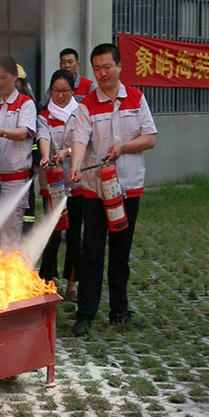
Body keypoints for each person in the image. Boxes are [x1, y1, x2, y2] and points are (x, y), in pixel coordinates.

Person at [69, 43, 157, 336]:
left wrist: (123, 147)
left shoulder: (136, 98)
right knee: (92, 252)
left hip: (128, 189)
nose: (103, 73)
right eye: (97, 68)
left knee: (121, 253)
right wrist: (76, 165)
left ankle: (119, 310)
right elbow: (80, 140)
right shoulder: (87, 105)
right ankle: (85, 314)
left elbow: (150, 139)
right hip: (95, 192)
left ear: (119, 66)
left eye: (108, 66)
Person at [0, 56, 37, 252]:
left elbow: (25, 132)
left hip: (15, 180)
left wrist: (3, 132)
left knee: (11, 236)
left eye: (4, 77)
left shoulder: (25, 103)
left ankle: (12, 280)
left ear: (14, 76)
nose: (0, 82)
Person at [37, 69, 82, 302]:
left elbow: (86, 141)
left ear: (73, 91)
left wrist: (68, 152)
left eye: (65, 91)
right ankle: (46, 283)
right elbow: (43, 137)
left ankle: (72, 285)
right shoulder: (45, 115)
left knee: (74, 235)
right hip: (52, 184)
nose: (61, 95)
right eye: (56, 91)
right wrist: (46, 155)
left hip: (77, 182)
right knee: (52, 234)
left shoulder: (81, 113)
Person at [15, 63, 40, 234]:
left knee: (27, 196)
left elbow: (37, 137)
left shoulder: (31, 105)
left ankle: (27, 230)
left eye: (18, 81)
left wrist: (36, 160)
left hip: (28, 161)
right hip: (9, 162)